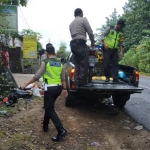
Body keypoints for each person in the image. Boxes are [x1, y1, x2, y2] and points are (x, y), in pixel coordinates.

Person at [21, 45, 68, 142]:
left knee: (49, 108)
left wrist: (26, 83)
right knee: (48, 106)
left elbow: (37, 76)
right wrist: (65, 89)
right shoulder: (60, 63)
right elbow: (63, 78)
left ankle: (61, 130)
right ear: (54, 53)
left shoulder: (45, 62)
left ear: (46, 53)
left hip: (50, 89)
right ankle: (45, 126)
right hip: (58, 88)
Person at [69, 8, 95, 87]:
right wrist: (92, 42)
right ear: (81, 13)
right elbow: (90, 32)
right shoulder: (83, 20)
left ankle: (77, 82)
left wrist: (84, 45)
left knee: (77, 64)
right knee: (84, 64)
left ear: (74, 15)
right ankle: (82, 83)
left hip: (73, 45)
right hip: (80, 44)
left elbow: (75, 36)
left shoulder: (71, 24)